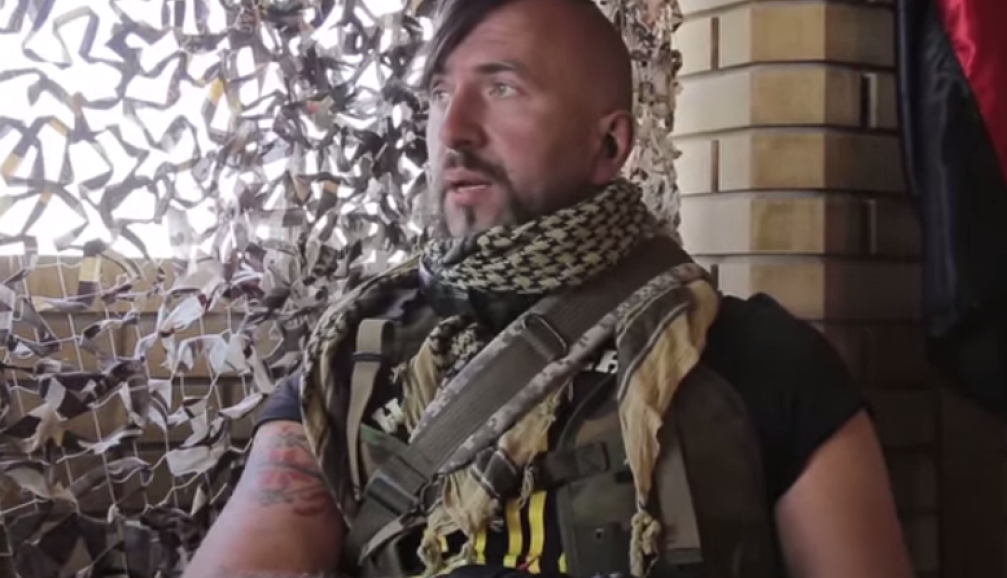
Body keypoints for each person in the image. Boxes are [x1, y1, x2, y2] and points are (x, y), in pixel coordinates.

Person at [183, 0, 916, 576]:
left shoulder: (759, 360)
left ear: (610, 144)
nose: (453, 130)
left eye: (502, 88)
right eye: (440, 93)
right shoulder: (356, 352)